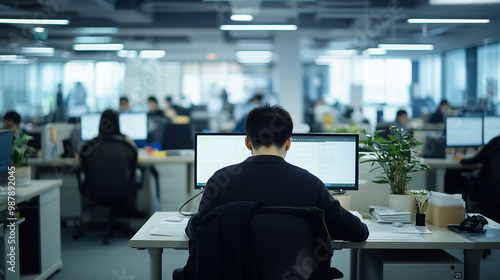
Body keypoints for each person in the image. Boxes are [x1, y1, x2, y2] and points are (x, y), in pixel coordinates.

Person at [179, 104, 369, 278]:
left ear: (247, 142)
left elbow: (198, 229)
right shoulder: (310, 183)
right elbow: (358, 232)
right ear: (288, 143)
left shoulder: (220, 181)